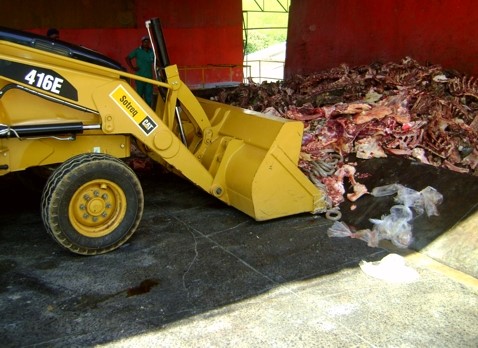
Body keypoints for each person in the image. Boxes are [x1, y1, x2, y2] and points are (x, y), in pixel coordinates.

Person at [125, 36, 154, 106]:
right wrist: (132, 68)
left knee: (149, 96)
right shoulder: (137, 51)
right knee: (139, 95)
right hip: (140, 77)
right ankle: (139, 109)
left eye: (147, 42)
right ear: (142, 43)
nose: (146, 43)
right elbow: (127, 58)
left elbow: (155, 60)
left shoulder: (151, 51)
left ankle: (149, 111)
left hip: (149, 78)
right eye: (145, 42)